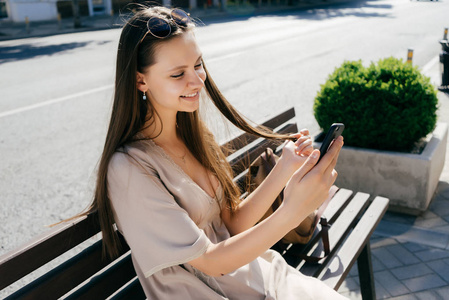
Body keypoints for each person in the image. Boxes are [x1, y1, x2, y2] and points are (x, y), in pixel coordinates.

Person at [82, 5, 347, 299]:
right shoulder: (129, 169)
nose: (197, 80)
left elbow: (231, 225)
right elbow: (211, 262)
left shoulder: (194, 136)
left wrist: (285, 168)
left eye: (197, 64)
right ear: (140, 80)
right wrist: (291, 211)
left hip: (261, 278)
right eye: (177, 74)